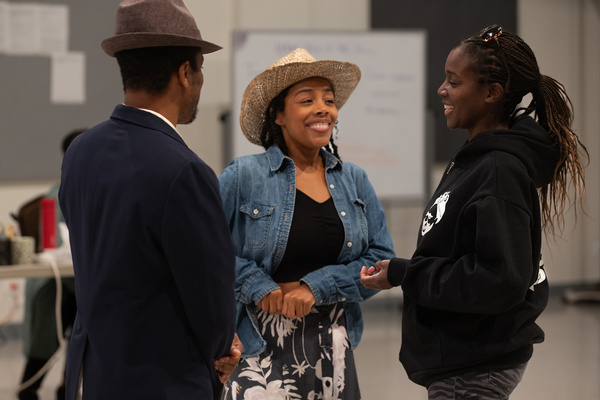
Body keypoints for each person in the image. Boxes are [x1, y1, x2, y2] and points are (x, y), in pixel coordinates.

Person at [360, 25, 588, 400]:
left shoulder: (498, 171)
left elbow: (500, 279)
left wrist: (406, 273)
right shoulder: (476, 160)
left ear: (491, 93)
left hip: (473, 368)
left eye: (453, 81)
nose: (442, 90)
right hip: (463, 359)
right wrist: (404, 273)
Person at [58, 1, 240, 399]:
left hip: (94, 375)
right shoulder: (184, 170)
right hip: (162, 379)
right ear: (185, 73)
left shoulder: (80, 152)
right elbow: (211, 298)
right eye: (201, 69)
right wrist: (224, 345)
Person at [218, 48, 396, 399]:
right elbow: (205, 252)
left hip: (333, 344)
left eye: (329, 101)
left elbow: (380, 262)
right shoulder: (243, 176)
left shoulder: (354, 180)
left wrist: (317, 286)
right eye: (306, 100)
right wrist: (257, 285)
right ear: (278, 115)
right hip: (255, 344)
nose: (323, 109)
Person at [17, 130, 82, 400]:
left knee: (84, 309)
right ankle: (30, 386)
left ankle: (68, 384)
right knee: (79, 307)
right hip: (53, 282)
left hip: (77, 282)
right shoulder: (56, 197)